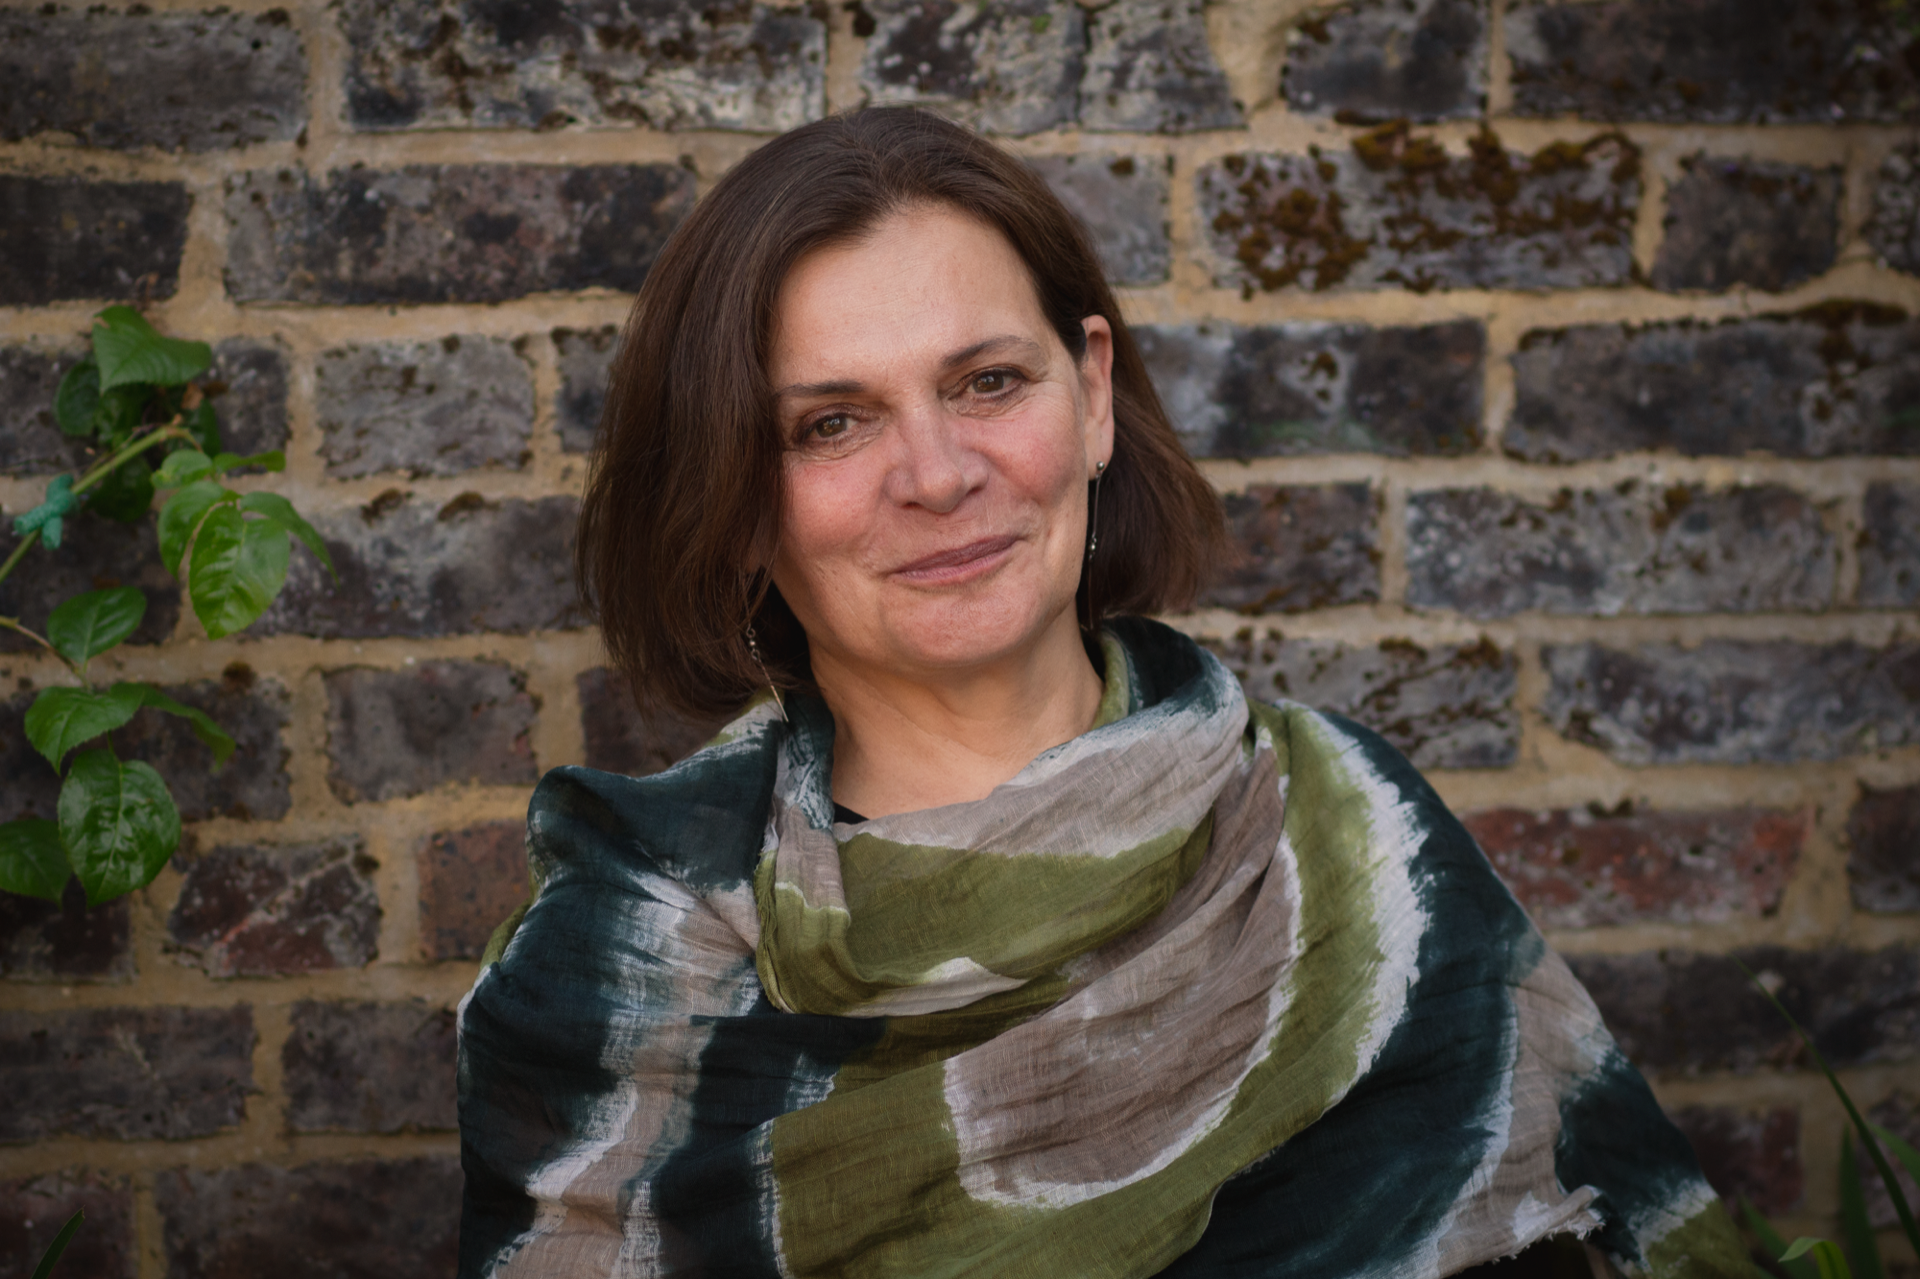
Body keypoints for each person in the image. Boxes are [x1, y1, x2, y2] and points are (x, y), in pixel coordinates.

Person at [457, 107, 1755, 1279]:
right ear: (737, 500)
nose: (938, 470)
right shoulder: (626, 958)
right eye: (830, 424)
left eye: (988, 382)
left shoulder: (1344, 836)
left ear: (1089, 393)